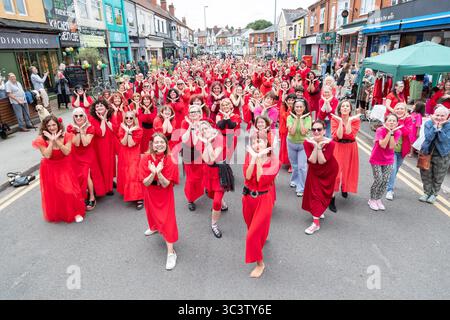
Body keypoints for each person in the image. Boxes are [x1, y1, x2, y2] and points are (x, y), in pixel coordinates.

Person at [32, 115, 85, 223]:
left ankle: (75, 212)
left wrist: (57, 141)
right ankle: (61, 212)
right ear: (45, 127)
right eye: (49, 125)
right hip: (49, 167)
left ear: (58, 125)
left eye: (54, 125)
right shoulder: (41, 139)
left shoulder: (67, 136)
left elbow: (67, 152)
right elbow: (47, 155)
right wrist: (51, 141)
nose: (52, 127)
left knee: (69, 190)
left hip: (64, 165)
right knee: (55, 192)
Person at [242, 133, 280, 278]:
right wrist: (254, 157)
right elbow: (247, 175)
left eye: (261, 141)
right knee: (251, 227)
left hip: (263, 199)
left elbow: (260, 179)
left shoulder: (274, 161)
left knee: (251, 235)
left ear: (267, 144)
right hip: (248, 198)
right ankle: (261, 238)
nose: (257, 144)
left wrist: (257, 157)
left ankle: (260, 263)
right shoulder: (249, 157)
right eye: (255, 142)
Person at [140, 133, 179, 270]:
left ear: (166, 144)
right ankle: (154, 227)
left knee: (168, 220)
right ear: (151, 144)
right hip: (150, 191)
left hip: (164, 192)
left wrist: (159, 173)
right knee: (151, 212)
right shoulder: (145, 158)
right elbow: (145, 182)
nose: (159, 144)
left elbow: (166, 183)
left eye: (162, 142)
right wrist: (153, 173)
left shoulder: (170, 159)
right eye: (156, 142)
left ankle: (171, 252)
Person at [302, 120, 339, 235]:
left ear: (324, 131)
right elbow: (313, 160)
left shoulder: (331, 143)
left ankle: (317, 216)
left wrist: (318, 146)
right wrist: (316, 146)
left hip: (329, 170)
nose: (316, 132)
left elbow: (322, 160)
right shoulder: (307, 142)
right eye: (314, 130)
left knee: (324, 193)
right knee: (314, 193)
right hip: (314, 170)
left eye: (319, 129)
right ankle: (316, 221)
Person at [199, 120, 234, 238]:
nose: (204, 131)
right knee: (210, 194)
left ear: (210, 127)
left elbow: (213, 158)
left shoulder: (219, 138)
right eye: (202, 130)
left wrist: (208, 143)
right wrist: (206, 143)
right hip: (209, 171)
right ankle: (223, 205)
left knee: (216, 201)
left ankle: (214, 225)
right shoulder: (203, 140)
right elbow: (205, 159)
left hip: (220, 170)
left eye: (206, 128)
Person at [67, 108, 103, 211]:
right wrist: (77, 130)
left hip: (87, 154)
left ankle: (91, 197)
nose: (78, 118)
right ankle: (81, 195)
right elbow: (77, 143)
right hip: (75, 154)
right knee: (76, 175)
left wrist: (81, 130)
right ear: (73, 117)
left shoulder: (91, 127)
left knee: (85, 175)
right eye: (76, 116)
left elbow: (86, 142)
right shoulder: (70, 128)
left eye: (81, 115)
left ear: (85, 116)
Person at [368, 114, 402, 211]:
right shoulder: (380, 130)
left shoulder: (398, 132)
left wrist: (392, 133)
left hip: (388, 160)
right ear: (385, 122)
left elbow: (391, 146)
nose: (391, 122)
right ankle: (372, 199)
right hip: (376, 158)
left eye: (394, 121)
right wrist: (389, 133)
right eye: (389, 120)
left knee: (385, 180)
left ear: (397, 123)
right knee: (378, 179)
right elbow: (382, 145)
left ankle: (378, 199)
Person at [330, 100, 361, 209]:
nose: (345, 108)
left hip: (350, 147)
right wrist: (340, 122)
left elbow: (348, 133)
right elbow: (338, 136)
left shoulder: (355, 120)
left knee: (348, 171)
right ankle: (332, 198)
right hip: (338, 146)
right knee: (336, 173)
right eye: (343, 106)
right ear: (339, 108)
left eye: (347, 106)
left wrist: (348, 120)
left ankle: (345, 187)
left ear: (350, 109)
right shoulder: (335, 118)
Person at [419, 106, 450, 204]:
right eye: (437, 115)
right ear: (433, 115)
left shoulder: (449, 126)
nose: (439, 117)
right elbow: (429, 137)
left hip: (442, 154)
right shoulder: (428, 123)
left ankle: (434, 194)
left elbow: (444, 140)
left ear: (447, 116)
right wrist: (435, 126)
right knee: (425, 174)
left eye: (442, 116)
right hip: (427, 152)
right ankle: (426, 192)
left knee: (438, 176)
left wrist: (440, 128)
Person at [89, 99, 117, 196]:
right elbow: (101, 132)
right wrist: (102, 119)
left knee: (109, 165)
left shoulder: (111, 116)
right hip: (98, 145)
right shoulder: (92, 119)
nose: (99, 107)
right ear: (94, 109)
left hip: (109, 143)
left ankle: (109, 185)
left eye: (101, 106)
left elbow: (114, 129)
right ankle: (104, 187)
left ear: (106, 107)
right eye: (97, 106)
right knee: (102, 165)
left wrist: (105, 119)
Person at [385, 103, 413, 201]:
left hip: (402, 150)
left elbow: (406, 132)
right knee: (392, 169)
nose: (399, 110)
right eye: (397, 108)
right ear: (394, 110)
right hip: (391, 149)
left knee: (395, 169)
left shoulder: (409, 120)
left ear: (405, 110)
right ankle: (390, 190)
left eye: (402, 109)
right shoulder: (391, 118)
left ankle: (389, 182)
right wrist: (398, 121)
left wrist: (400, 122)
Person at [117, 111, 144, 210]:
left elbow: (131, 144)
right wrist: (128, 131)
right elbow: (124, 143)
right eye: (127, 118)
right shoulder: (122, 128)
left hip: (134, 153)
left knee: (133, 173)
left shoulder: (139, 130)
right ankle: (129, 192)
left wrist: (128, 132)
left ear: (134, 119)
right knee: (125, 172)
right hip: (124, 153)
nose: (128, 120)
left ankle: (138, 197)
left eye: (130, 118)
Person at [181, 105, 204, 211]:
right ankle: (190, 199)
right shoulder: (185, 123)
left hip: (201, 153)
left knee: (200, 176)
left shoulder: (204, 124)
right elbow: (184, 139)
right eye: (191, 112)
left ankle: (202, 191)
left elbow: (200, 141)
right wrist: (191, 126)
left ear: (200, 114)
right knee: (190, 179)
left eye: (195, 112)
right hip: (188, 153)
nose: (193, 114)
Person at [287, 98, 311, 197]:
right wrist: (296, 119)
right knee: (295, 165)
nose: (299, 108)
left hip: (303, 144)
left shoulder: (308, 118)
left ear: (304, 108)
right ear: (294, 107)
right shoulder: (290, 117)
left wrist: (301, 119)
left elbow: (303, 132)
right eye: (297, 106)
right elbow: (292, 132)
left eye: (301, 107)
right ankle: (294, 180)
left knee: (302, 167)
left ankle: (301, 187)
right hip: (291, 143)